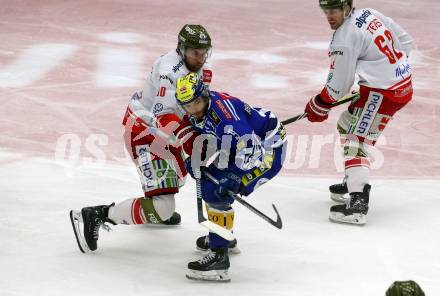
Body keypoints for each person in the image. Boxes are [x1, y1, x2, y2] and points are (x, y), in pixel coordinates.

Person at [69, 24, 213, 253]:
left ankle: (154, 205)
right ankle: (97, 214)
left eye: (205, 51)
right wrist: (191, 140)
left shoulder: (203, 68)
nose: (201, 57)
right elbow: (163, 117)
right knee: (165, 206)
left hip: (167, 132)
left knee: (181, 176)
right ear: (182, 48)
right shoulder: (169, 71)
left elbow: (199, 103)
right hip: (146, 132)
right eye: (196, 52)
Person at [305, 0, 413, 225]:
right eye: (326, 10)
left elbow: (338, 87)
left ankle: (357, 202)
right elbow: (405, 41)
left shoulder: (345, 38)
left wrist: (319, 104)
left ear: (347, 7)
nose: (329, 15)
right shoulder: (369, 13)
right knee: (347, 123)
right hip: (399, 84)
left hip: (383, 92)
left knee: (356, 141)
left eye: (334, 10)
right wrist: (387, 73)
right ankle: (354, 177)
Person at [175, 72, 287, 282]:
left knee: (217, 191)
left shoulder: (227, 120)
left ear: (205, 94)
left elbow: (254, 152)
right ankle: (223, 237)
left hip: (266, 151)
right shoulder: (203, 109)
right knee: (212, 185)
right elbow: (211, 135)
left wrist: (234, 178)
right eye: (187, 105)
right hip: (242, 147)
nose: (193, 110)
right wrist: (198, 156)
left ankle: (219, 258)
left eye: (196, 102)